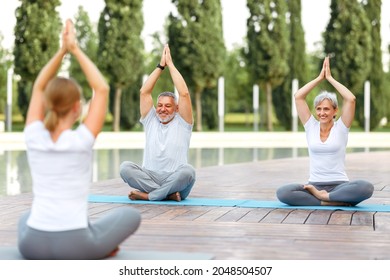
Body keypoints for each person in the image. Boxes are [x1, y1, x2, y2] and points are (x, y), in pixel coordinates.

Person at [18, 19, 141, 260]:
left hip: (32, 245)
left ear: (47, 103)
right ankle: (99, 244)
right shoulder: (81, 140)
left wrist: (61, 51)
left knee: (26, 218)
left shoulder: (33, 135)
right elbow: (102, 88)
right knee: (130, 216)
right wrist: (74, 49)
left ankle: (93, 236)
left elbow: (39, 86)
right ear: (77, 107)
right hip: (75, 245)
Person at [276, 56, 374, 206]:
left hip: (340, 185)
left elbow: (351, 99)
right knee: (283, 192)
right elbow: (298, 97)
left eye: (327, 109)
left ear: (335, 111)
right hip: (314, 185)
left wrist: (330, 78)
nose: (322, 113)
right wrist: (319, 78)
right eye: (319, 109)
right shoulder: (310, 126)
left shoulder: (341, 127)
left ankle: (326, 198)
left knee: (366, 188)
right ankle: (330, 202)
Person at [120, 44, 196, 202]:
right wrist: (161, 66)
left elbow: (184, 93)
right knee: (125, 168)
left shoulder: (183, 122)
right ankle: (165, 195)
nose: (162, 109)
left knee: (188, 172)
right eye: (160, 105)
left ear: (176, 108)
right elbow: (144, 92)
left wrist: (171, 65)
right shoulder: (151, 119)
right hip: (150, 178)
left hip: (176, 178)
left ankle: (149, 196)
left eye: (168, 106)